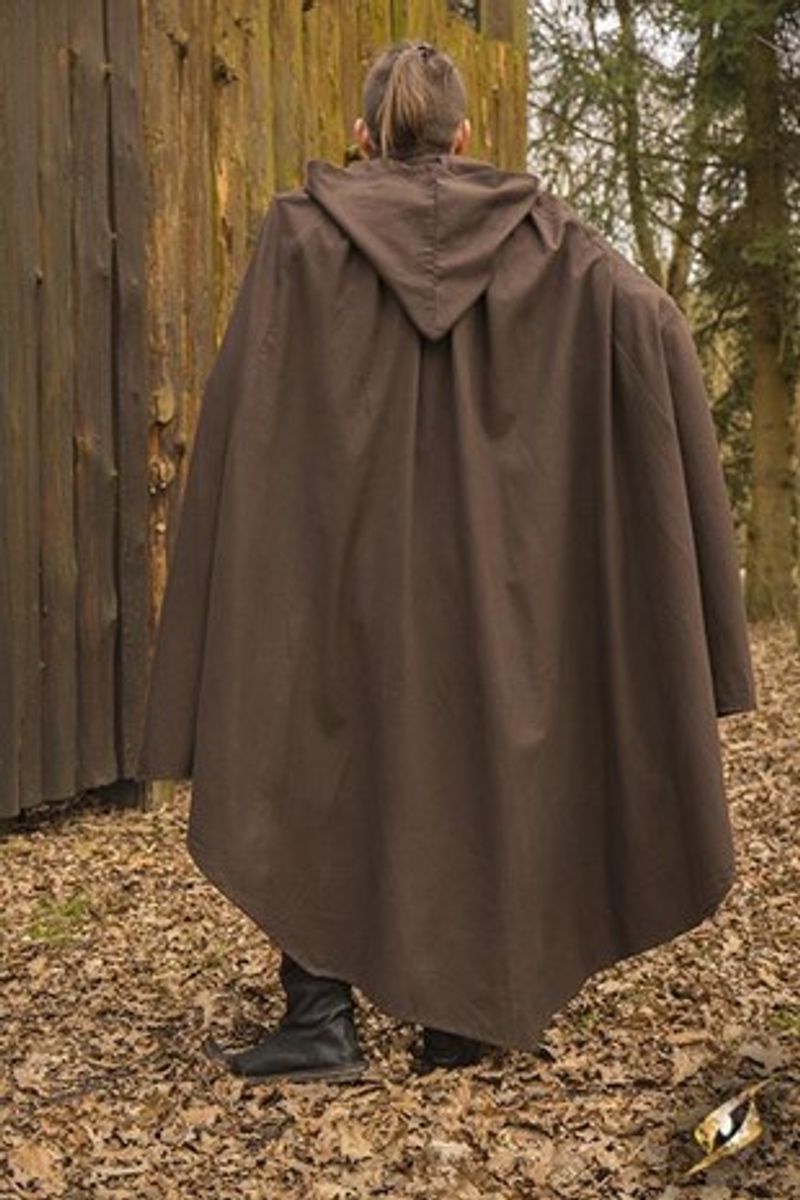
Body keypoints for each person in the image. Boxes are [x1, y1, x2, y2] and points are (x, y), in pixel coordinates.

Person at [135, 38, 757, 1084]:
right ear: (464, 136)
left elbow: (255, 400)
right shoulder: (545, 237)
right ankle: (460, 1022)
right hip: (487, 573)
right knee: (480, 746)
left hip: (337, 563)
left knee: (313, 738)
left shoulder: (301, 234)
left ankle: (321, 1018)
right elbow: (651, 320)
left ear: (362, 134)